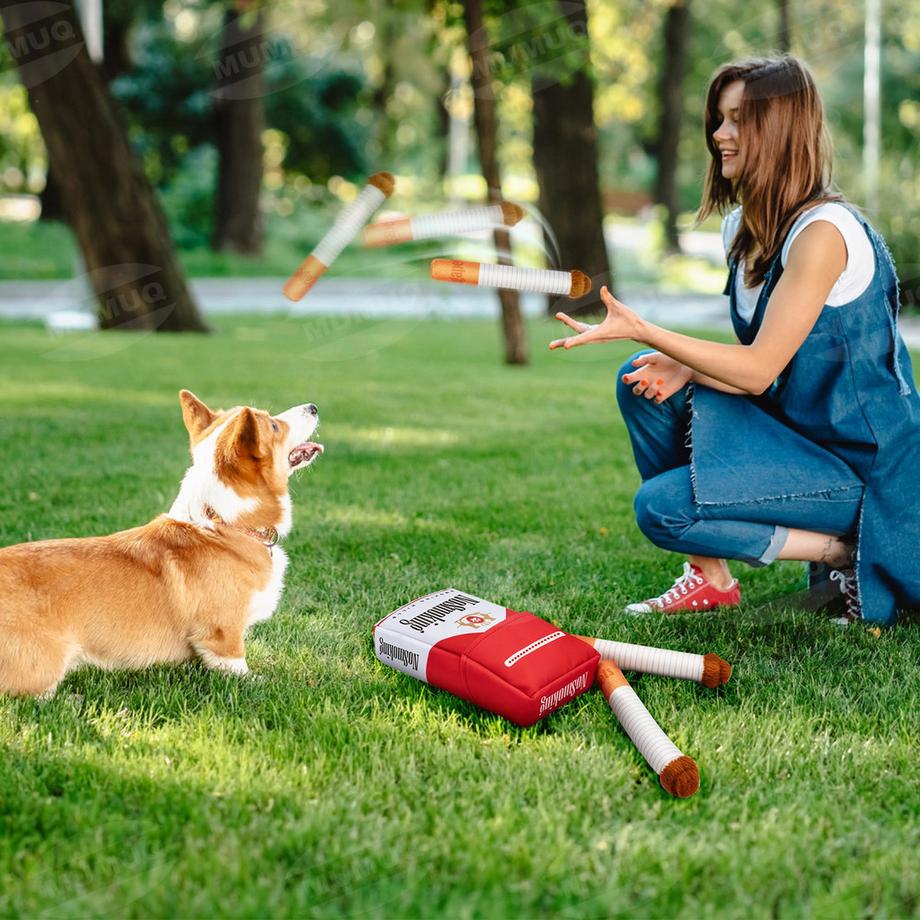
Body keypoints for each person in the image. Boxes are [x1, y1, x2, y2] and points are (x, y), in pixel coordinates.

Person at [549, 54, 920, 627]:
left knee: (660, 509)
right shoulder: (742, 228)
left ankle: (845, 550)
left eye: (738, 120)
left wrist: (651, 329)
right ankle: (711, 579)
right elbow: (768, 369)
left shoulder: (824, 234)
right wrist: (680, 365)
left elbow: (757, 370)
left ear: (782, 129)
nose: (720, 135)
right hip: (800, 440)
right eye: (719, 119)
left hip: (872, 473)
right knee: (642, 377)